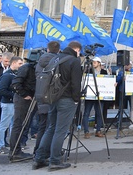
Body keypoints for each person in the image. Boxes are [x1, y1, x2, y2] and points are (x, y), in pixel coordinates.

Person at [33, 41, 83, 171]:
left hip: (53, 98)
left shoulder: (56, 58)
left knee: (51, 128)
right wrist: (76, 100)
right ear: (76, 50)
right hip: (67, 99)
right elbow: (76, 84)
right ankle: (55, 160)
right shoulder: (74, 61)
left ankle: (39, 158)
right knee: (60, 130)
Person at [32, 42, 60, 155]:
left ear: (47, 50)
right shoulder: (57, 61)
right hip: (52, 97)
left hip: (40, 95)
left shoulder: (40, 62)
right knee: (51, 127)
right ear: (58, 50)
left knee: (42, 126)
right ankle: (45, 152)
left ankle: (37, 150)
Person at [0, 56, 23, 154]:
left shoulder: (14, 74)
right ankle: (0, 146)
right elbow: (2, 90)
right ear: (14, 63)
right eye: (20, 63)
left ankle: (13, 145)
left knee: (13, 125)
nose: (21, 65)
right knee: (4, 125)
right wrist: (14, 96)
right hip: (8, 103)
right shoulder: (7, 75)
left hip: (13, 103)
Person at [82, 57, 107, 138]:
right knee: (86, 113)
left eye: (95, 62)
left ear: (99, 63)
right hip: (90, 95)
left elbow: (108, 82)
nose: (93, 64)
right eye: (93, 62)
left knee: (99, 113)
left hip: (100, 95)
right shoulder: (88, 71)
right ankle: (86, 131)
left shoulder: (104, 72)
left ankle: (98, 130)